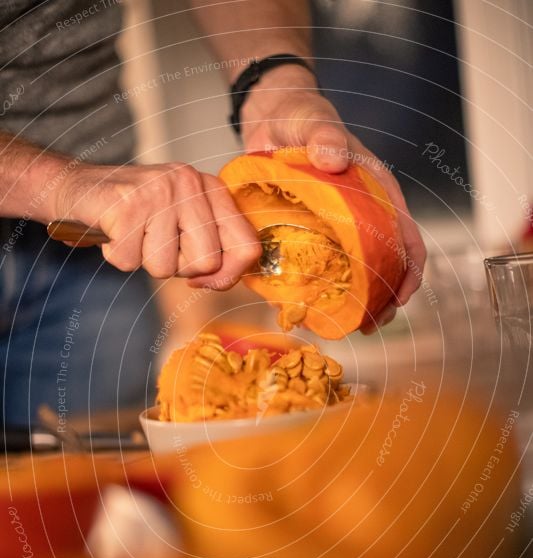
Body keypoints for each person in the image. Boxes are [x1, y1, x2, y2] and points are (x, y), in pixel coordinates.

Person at [0, 0, 425, 429]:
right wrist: (58, 183)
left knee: (102, 484)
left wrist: (275, 82)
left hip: (97, 252)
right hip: (85, 205)